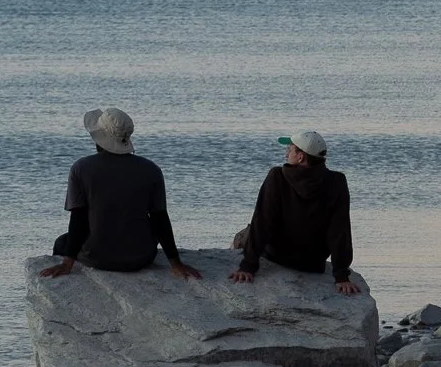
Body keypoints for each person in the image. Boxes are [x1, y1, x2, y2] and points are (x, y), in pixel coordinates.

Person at [40, 107, 200, 280]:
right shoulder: (151, 169)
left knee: (61, 242)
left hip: (98, 258)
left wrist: (67, 263)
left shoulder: (81, 168)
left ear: (99, 138)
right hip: (141, 257)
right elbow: (159, 219)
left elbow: (79, 219)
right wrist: (176, 264)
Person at [229, 131, 359, 295]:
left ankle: (236, 250)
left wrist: (247, 266)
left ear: (301, 157)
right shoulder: (337, 181)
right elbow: (340, 231)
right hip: (313, 263)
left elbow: (263, 222)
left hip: (277, 255)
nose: (286, 154)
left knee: (243, 235)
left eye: (289, 150)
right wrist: (341, 275)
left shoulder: (277, 176)